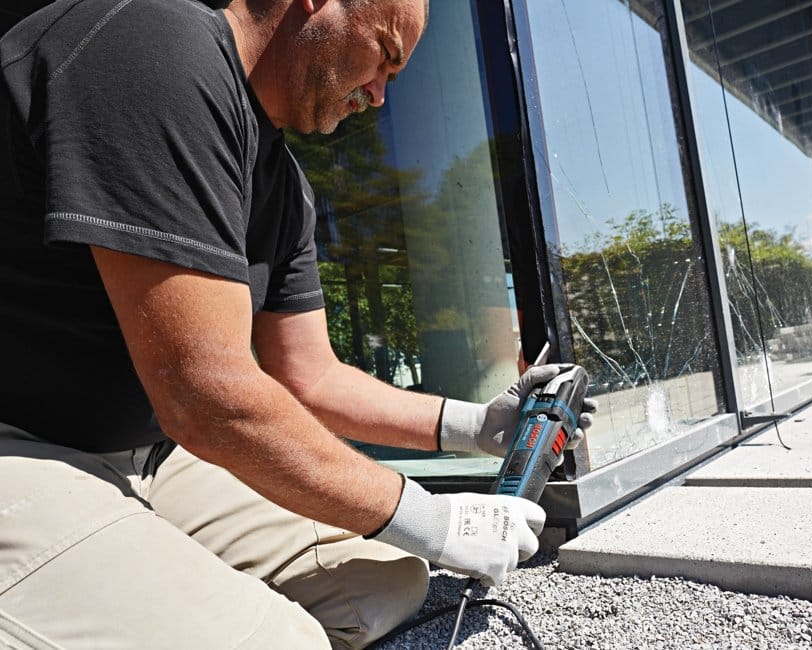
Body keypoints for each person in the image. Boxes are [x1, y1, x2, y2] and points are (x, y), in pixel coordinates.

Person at [0, 0, 596, 647]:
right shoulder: (151, 43)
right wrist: (433, 518)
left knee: (380, 586)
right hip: (19, 447)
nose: (378, 96)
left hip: (145, 455)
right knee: (285, 641)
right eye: (384, 57)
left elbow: (310, 377)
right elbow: (203, 393)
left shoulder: (282, 186)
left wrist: (477, 427)